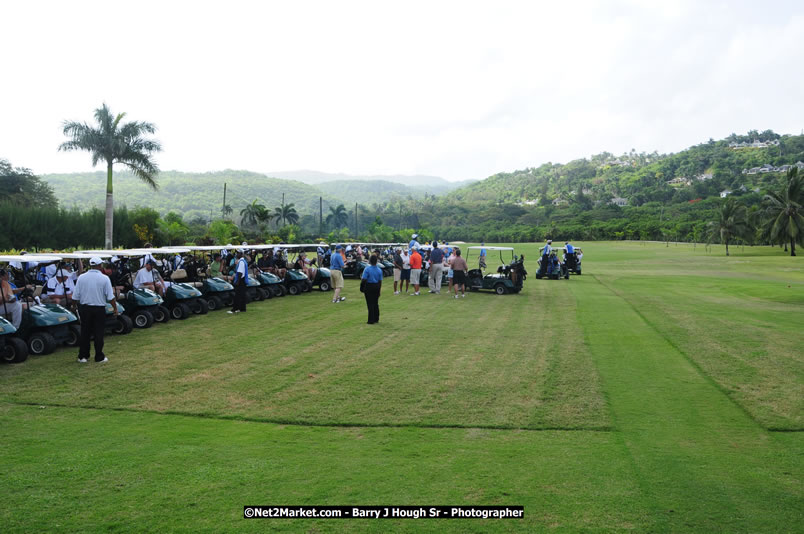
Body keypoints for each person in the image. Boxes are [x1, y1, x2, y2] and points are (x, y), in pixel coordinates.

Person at [72, 257, 117, 363]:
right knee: (98, 333)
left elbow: (75, 296)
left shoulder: (81, 277)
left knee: (85, 332)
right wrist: (115, 308)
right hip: (99, 308)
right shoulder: (104, 278)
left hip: (85, 308)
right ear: (100, 265)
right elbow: (110, 297)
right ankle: (99, 356)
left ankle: (83, 356)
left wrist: (73, 306)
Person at [361, 255, 383, 324]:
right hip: (376, 286)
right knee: (375, 303)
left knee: (370, 303)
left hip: (369, 286)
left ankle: (371, 320)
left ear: (370, 261)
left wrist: (362, 287)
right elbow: (380, 281)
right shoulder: (379, 270)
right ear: (376, 261)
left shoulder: (367, 269)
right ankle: (376, 318)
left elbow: (364, 279)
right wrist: (379, 290)